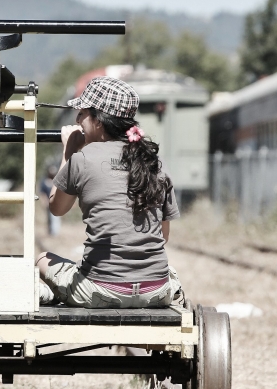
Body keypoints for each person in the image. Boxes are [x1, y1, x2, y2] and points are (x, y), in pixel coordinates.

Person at [36, 76, 181, 308]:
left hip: (99, 290)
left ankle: (59, 294)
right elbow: (163, 236)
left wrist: (69, 152)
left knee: (42, 259)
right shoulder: (155, 162)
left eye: (82, 113)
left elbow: (57, 208)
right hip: (156, 290)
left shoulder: (82, 159)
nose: (77, 120)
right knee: (168, 273)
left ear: (98, 121)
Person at [39, 165, 61, 236]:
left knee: (55, 217)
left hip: (56, 203)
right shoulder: (44, 181)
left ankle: (55, 232)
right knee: (49, 218)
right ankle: (51, 232)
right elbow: (42, 193)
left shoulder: (57, 181)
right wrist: (44, 201)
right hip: (48, 203)